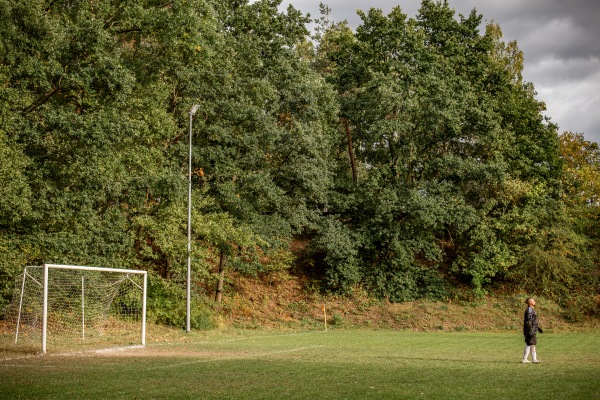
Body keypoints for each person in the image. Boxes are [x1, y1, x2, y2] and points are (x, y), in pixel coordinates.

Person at [522, 297, 543, 363]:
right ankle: (526, 359)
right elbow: (528, 321)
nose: (534, 301)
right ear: (530, 303)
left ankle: (533, 359)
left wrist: (538, 328)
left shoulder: (531, 309)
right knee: (530, 344)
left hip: (532, 330)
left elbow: (534, 321)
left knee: (532, 343)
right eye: (533, 301)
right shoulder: (529, 310)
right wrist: (530, 330)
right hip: (530, 330)